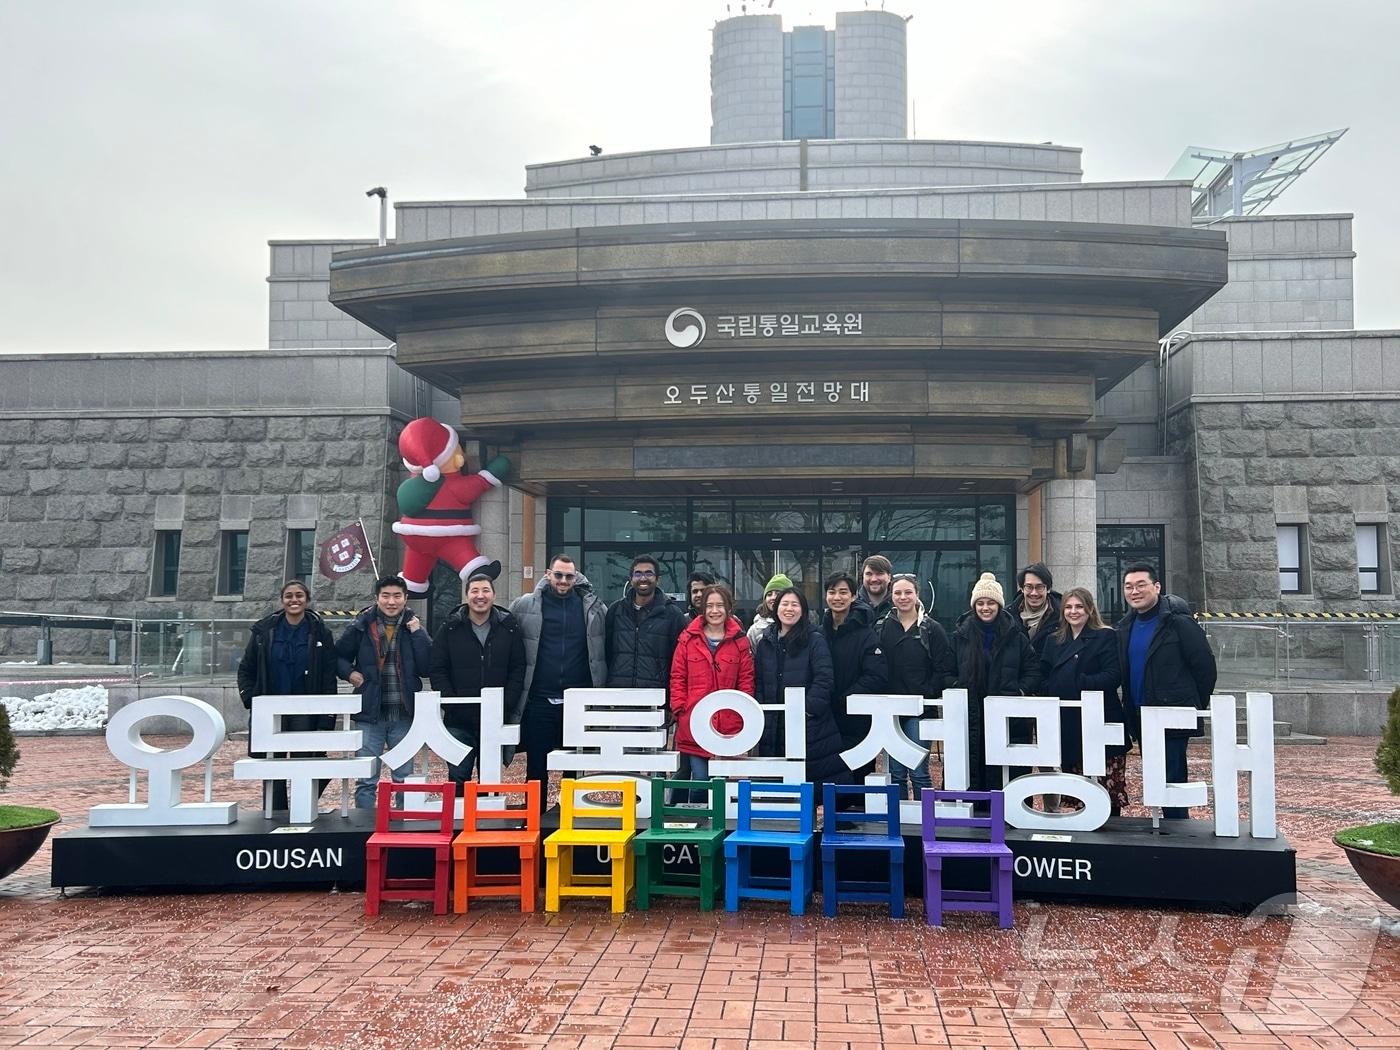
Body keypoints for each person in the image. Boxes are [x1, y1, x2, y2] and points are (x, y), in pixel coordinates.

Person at [1115, 562, 1217, 820]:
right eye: (1129, 586)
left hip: (1172, 716)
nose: (1134, 591)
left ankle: (1178, 832)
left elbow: (1204, 666)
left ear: (1157, 587)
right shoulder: (1125, 627)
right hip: (1140, 715)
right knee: (1154, 779)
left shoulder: (1178, 623)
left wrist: (1191, 705)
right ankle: (1161, 833)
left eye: (1141, 585)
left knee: (1173, 780)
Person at [509, 554, 608, 802]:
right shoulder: (525, 606)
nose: (563, 580)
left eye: (569, 576)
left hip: (576, 701)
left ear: (576, 578)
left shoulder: (593, 608)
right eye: (558, 575)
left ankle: (569, 821)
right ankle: (535, 821)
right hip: (540, 699)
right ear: (547, 574)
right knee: (536, 766)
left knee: (572, 768)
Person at [237, 580, 339, 811]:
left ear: (307, 599)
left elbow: (328, 677)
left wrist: (327, 716)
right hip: (271, 709)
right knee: (272, 766)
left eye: (299, 595)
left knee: (309, 763)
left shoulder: (321, 632)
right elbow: (246, 668)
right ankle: (276, 812)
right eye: (289, 596)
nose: (294, 600)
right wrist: (250, 698)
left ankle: (302, 808)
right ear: (282, 600)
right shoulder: (265, 631)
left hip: (305, 709)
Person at [335, 574, 433, 810]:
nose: (391, 601)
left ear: (406, 598)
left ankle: (403, 825)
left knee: (404, 778)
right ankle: (364, 828)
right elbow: (337, 656)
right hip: (370, 713)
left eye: (397, 596)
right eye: (386, 596)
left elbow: (428, 666)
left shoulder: (414, 626)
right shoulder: (361, 626)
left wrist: (419, 634)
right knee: (366, 779)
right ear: (377, 598)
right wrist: (350, 673)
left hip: (403, 713)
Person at [428, 567, 526, 790]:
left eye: (485, 590)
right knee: (459, 776)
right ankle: (458, 823)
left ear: (493, 595)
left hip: (495, 718)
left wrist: (506, 702)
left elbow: (518, 669)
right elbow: (438, 669)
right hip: (458, 718)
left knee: (489, 781)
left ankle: (487, 823)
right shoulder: (450, 628)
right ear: (466, 596)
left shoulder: (508, 628)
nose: (480, 596)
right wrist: (451, 702)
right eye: (474, 591)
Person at [1039, 587, 1127, 814]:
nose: (1073, 611)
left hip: (1101, 718)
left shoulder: (1106, 636)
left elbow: (1113, 675)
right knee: (1077, 789)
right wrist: (1055, 687)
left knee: (1106, 787)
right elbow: (1043, 676)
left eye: (1079, 606)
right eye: (1068, 607)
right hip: (1068, 721)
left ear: (1089, 609)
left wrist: (1077, 682)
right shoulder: (1053, 640)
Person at [953, 572, 1042, 792]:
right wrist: (957, 688)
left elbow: (1033, 671)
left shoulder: (1016, 636)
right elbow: (946, 670)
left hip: (1008, 717)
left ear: (999, 605)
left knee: (1007, 778)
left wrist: (1020, 691)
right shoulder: (960, 636)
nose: (986, 608)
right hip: (970, 715)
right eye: (981, 603)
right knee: (971, 770)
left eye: (991, 602)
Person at [753, 587, 847, 792]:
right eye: (784, 604)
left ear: (803, 610)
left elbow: (824, 680)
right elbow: (758, 681)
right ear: (776, 608)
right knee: (774, 788)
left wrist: (805, 710)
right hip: (772, 724)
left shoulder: (815, 639)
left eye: (795, 604)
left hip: (808, 725)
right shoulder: (765, 642)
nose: (789, 609)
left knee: (809, 785)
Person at [670, 584, 753, 801]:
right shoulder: (688, 639)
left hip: (728, 720)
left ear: (728, 608)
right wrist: (680, 707)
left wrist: (743, 711)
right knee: (700, 778)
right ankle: (697, 825)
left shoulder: (739, 641)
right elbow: (678, 676)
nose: (714, 611)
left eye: (719, 605)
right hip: (694, 720)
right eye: (709, 606)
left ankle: (718, 825)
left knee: (722, 780)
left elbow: (746, 680)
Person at [879, 573, 955, 800]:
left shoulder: (932, 629)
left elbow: (944, 668)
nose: (903, 597)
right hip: (891, 710)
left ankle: (926, 822)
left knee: (920, 771)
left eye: (908, 592)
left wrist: (927, 691)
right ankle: (899, 821)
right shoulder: (882, 627)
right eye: (898, 593)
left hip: (921, 710)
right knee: (896, 773)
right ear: (891, 596)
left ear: (917, 595)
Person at [819, 571, 886, 784]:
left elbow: (876, 676)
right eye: (832, 592)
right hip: (825, 717)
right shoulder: (820, 632)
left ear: (854, 596)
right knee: (828, 772)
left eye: (843, 592)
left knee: (857, 773)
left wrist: (845, 698)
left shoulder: (866, 633)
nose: (837, 597)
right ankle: (832, 816)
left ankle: (856, 815)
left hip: (856, 718)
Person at [605, 555, 688, 692]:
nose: (643, 578)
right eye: (638, 574)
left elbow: (679, 661)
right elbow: (607, 652)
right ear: (631, 579)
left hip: (657, 696)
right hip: (619, 694)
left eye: (649, 573)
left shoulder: (673, 615)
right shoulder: (616, 611)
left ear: (657, 579)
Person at [1008, 561, 1062, 654]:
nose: (1034, 593)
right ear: (1022, 588)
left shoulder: (1062, 616)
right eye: (1029, 587)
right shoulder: (1007, 616)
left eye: (1039, 587)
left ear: (1048, 589)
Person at [747, 572, 791, 648]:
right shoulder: (756, 630)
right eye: (769, 594)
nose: (773, 598)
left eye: (778, 593)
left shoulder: (800, 625)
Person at [859, 555, 894, 622]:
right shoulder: (851, 605)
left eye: (879, 574)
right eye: (869, 574)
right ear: (863, 576)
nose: (874, 579)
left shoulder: (899, 605)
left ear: (889, 577)